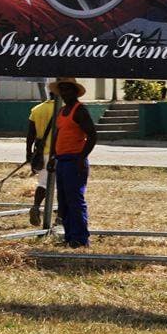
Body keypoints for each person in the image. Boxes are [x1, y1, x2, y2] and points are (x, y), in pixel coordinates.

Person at [48, 77, 97, 247]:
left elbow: (92, 135)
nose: (65, 93)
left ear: (75, 91)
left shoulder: (80, 110)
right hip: (61, 160)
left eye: (68, 89)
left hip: (74, 160)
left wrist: (82, 157)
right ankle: (69, 236)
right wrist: (52, 156)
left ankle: (81, 238)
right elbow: (57, 135)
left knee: (75, 200)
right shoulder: (62, 111)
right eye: (62, 90)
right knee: (64, 201)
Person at [25, 85, 58, 227]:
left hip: (41, 153)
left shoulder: (36, 110)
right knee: (61, 186)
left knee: (43, 183)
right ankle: (60, 217)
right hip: (58, 153)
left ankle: (36, 207)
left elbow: (30, 135)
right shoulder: (63, 109)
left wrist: (28, 153)